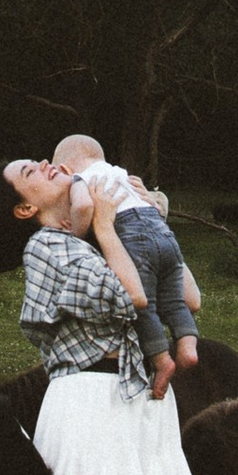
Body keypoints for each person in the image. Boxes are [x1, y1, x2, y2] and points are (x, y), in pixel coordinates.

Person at [0, 156, 199, 475]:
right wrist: (109, 228)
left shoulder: (96, 230)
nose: (43, 163)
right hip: (90, 401)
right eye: (29, 173)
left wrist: (149, 215)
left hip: (141, 399)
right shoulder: (46, 248)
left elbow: (189, 297)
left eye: (38, 161)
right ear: (23, 209)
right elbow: (130, 296)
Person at [52, 133, 202, 374]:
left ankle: (162, 360)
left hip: (132, 236)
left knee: (144, 305)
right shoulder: (120, 173)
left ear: (64, 169)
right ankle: (187, 346)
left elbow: (83, 206)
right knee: (175, 302)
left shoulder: (80, 179)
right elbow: (190, 302)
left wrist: (74, 233)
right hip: (162, 234)